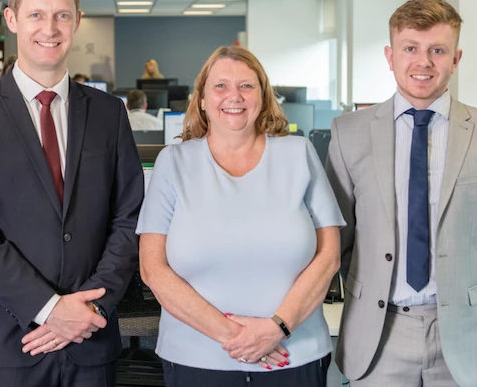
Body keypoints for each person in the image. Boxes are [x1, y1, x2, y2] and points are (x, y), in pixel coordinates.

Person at [0, 0, 143, 387]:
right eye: (36, 14)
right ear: (12, 19)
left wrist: (90, 309)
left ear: (77, 20)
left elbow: (129, 218)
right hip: (9, 342)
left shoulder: (110, 113)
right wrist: (50, 308)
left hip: (91, 338)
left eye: (61, 15)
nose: (49, 28)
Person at [326, 0, 477, 387]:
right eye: (410, 48)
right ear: (390, 55)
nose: (424, 62)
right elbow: (338, 238)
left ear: (456, 58)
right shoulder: (348, 133)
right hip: (378, 334)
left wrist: (463, 295)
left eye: (438, 50)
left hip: (461, 335)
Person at [137, 46, 345, 386]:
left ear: (262, 96)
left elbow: (329, 256)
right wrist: (238, 336)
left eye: (246, 86)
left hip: (295, 355)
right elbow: (152, 268)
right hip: (196, 360)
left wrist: (277, 327)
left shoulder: (298, 154)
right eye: (220, 86)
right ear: (202, 99)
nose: (233, 96)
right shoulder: (173, 163)